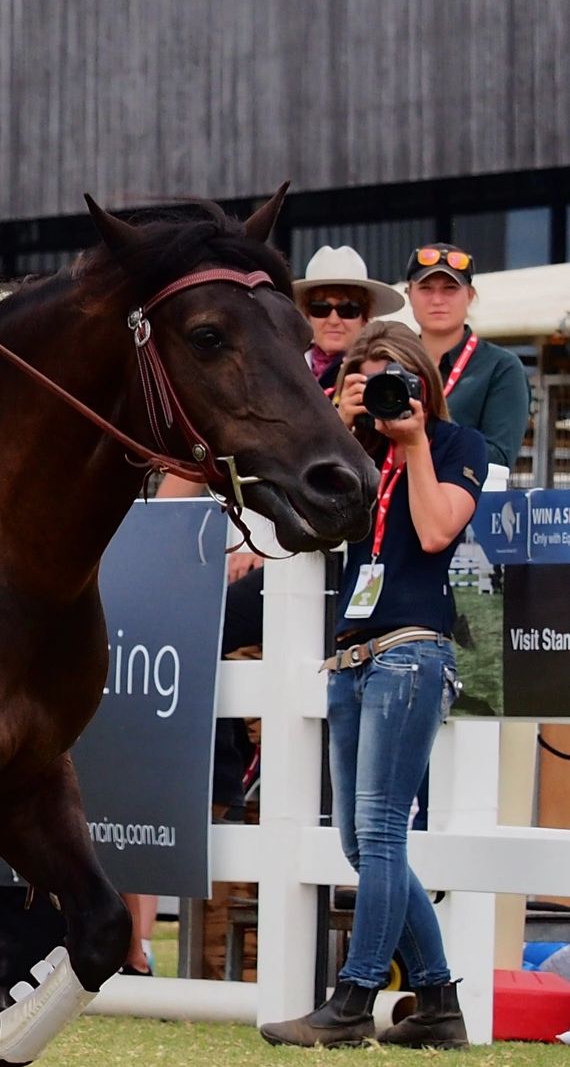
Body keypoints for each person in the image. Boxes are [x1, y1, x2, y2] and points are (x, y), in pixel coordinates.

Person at [260, 321, 484, 1049]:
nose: (386, 393)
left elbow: (433, 531)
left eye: (396, 378)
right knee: (363, 842)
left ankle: (353, 999)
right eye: (368, 377)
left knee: (383, 831)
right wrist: (338, 424)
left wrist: (414, 443)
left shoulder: (455, 446)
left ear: (424, 382)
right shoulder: (350, 453)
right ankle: (440, 1005)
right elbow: (305, 528)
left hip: (413, 653)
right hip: (352, 659)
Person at [403, 244, 533, 485]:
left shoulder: (501, 368)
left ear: (470, 295)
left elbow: (498, 458)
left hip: (466, 511)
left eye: (450, 289)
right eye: (426, 288)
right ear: (409, 293)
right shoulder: (393, 363)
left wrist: (420, 436)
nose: (437, 299)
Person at [294, 245, 404, 391]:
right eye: (320, 309)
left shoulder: (384, 372)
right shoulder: (285, 370)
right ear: (307, 316)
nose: (333, 321)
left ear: (365, 318)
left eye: (347, 310)